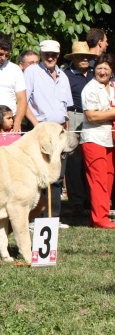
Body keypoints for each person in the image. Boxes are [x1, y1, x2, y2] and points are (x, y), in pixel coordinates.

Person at [24, 40, 73, 225]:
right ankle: (36, 218)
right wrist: (37, 126)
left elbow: (66, 108)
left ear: (58, 55)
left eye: (53, 54)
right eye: (46, 54)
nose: (50, 57)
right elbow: (23, 102)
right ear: (41, 54)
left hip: (59, 131)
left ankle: (53, 219)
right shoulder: (32, 72)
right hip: (40, 130)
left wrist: (65, 130)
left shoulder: (64, 76)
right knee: (39, 175)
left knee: (58, 176)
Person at [80, 53, 115, 229]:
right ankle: (100, 219)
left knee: (109, 177)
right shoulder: (90, 89)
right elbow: (91, 115)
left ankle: (100, 216)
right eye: (99, 68)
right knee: (98, 179)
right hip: (93, 139)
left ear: (111, 71)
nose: (102, 72)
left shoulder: (113, 88)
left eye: (106, 69)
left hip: (109, 139)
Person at [63, 41, 97, 212]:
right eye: (80, 56)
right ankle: (77, 201)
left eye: (87, 57)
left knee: (92, 158)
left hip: (96, 118)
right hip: (74, 116)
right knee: (74, 161)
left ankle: (93, 199)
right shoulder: (66, 75)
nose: (84, 59)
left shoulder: (95, 73)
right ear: (73, 58)